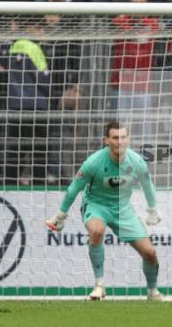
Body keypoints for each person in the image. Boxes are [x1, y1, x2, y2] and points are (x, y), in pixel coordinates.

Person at [46, 121, 164, 301]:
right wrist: (61, 215)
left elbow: (148, 185)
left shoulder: (137, 162)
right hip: (96, 205)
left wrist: (153, 210)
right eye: (115, 138)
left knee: (150, 253)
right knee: (96, 231)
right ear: (106, 140)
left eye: (123, 137)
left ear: (128, 139)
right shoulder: (94, 162)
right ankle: (99, 285)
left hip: (123, 210)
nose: (120, 142)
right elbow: (74, 188)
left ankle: (153, 292)